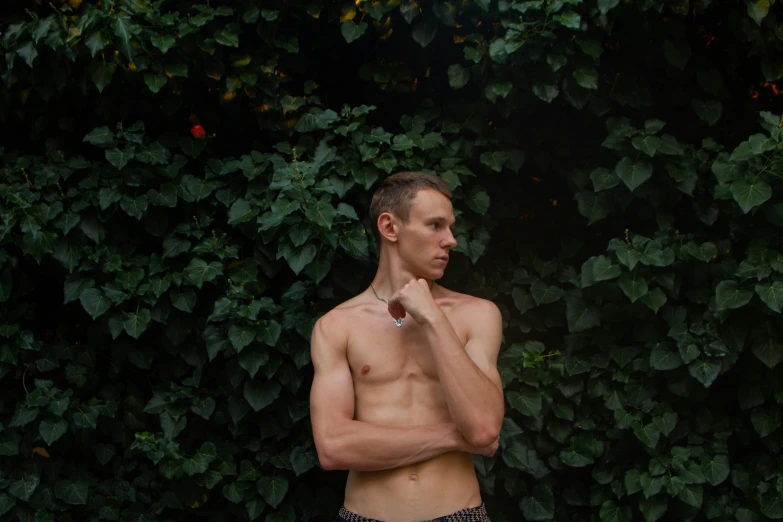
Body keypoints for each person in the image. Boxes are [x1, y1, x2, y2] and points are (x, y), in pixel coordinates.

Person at [309, 171, 505, 522]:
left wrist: (432, 316)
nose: (451, 240)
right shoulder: (337, 326)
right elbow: (333, 446)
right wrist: (453, 437)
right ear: (390, 227)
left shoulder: (477, 315)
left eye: (451, 227)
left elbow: (484, 429)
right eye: (435, 225)